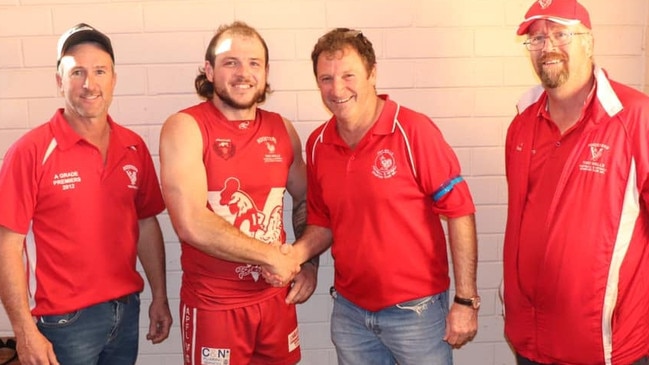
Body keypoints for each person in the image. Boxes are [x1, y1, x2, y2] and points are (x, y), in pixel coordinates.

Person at [267, 27, 479, 365]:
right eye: (326, 78)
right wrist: (294, 257)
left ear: (372, 74)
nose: (337, 89)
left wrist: (465, 301)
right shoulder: (319, 144)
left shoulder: (413, 131)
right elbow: (322, 223)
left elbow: (460, 211)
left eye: (348, 75)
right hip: (351, 315)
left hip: (417, 315)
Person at [0, 23, 172, 365]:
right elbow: (7, 244)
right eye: (77, 72)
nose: (89, 84)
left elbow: (147, 225)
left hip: (126, 312)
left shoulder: (134, 147)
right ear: (59, 81)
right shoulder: (30, 152)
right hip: (63, 324)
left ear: (113, 79)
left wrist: (160, 297)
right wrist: (23, 330)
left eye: (99, 71)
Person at [158, 21, 317, 365]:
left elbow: (309, 202)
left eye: (254, 63)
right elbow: (191, 223)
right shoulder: (185, 127)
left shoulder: (282, 129)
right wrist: (273, 257)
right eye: (230, 62)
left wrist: (306, 263)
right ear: (209, 71)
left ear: (266, 72)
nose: (243, 72)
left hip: (277, 301)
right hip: (216, 305)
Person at [503, 0, 649, 364]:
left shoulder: (633, 117)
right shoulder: (521, 125)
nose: (547, 46)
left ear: (589, 42)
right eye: (536, 38)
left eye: (560, 34)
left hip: (606, 347)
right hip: (531, 341)